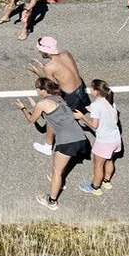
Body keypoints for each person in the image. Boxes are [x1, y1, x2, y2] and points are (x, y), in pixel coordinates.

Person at [18, 77, 89, 209]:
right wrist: (37, 107)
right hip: (80, 137)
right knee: (59, 167)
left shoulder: (42, 104)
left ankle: (52, 201)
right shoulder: (59, 97)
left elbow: (31, 120)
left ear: (42, 90)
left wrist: (23, 108)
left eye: (38, 90)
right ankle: (59, 183)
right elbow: (54, 115)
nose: (37, 92)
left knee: (56, 171)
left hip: (67, 141)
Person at [27, 37, 86, 148]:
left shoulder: (50, 67)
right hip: (80, 90)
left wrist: (39, 73)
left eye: (40, 50)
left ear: (46, 51)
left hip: (70, 96)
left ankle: (48, 146)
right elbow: (63, 72)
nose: (40, 52)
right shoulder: (65, 53)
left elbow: (52, 88)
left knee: (52, 115)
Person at [74, 79, 121, 194]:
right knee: (109, 160)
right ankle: (106, 181)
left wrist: (82, 117)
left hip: (104, 142)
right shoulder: (110, 102)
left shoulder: (96, 105)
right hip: (115, 139)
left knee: (98, 165)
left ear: (95, 91)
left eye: (91, 88)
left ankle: (95, 188)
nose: (90, 90)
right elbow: (114, 119)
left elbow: (94, 125)